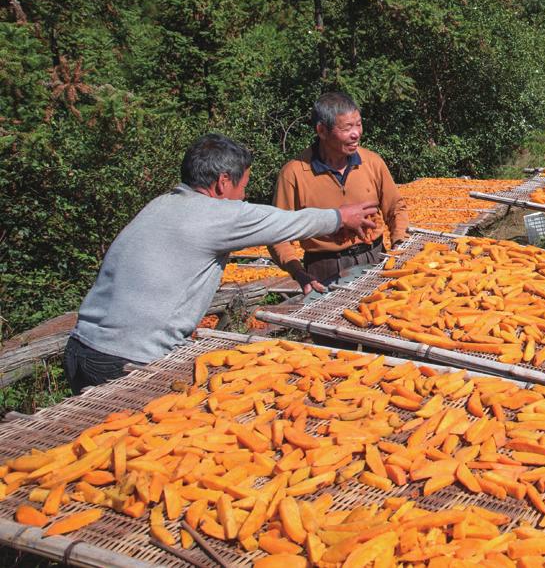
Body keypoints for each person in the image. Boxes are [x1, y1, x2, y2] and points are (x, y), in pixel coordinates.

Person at [65, 134, 378, 393]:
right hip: (125, 361)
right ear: (222, 183)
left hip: (80, 349)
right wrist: (341, 216)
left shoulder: (159, 205)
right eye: (242, 187)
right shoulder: (216, 215)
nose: (244, 196)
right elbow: (285, 223)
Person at [269, 92, 409, 294]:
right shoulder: (294, 173)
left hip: (375, 257)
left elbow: (395, 207)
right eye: (347, 128)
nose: (356, 133)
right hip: (324, 268)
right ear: (322, 131)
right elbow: (277, 234)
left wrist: (399, 242)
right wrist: (298, 272)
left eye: (358, 124)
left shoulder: (372, 162)